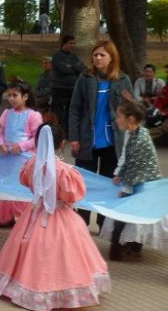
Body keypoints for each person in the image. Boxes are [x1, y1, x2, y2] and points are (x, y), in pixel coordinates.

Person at [0, 123, 110, 311]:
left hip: (35, 212)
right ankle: (63, 289)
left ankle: (24, 282)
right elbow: (73, 195)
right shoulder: (64, 170)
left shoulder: (31, 164)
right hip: (60, 214)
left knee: (31, 249)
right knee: (66, 253)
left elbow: (25, 181)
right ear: (61, 144)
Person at [69, 40, 133, 227]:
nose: (97, 58)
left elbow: (131, 110)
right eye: (95, 55)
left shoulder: (123, 80)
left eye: (102, 55)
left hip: (113, 142)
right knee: (84, 183)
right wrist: (74, 137)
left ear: (112, 58)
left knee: (107, 183)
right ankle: (82, 222)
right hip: (87, 140)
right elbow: (74, 109)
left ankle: (104, 223)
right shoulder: (85, 78)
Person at [100, 101, 163, 261]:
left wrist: (126, 188)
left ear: (131, 119)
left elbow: (136, 165)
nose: (117, 120)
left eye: (120, 116)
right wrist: (117, 173)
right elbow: (125, 156)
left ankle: (126, 248)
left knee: (131, 214)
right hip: (133, 179)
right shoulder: (129, 133)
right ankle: (124, 247)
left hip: (146, 182)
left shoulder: (142, 137)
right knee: (126, 214)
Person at [0, 81, 43, 227]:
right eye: (9, 96)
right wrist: (1, 143)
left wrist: (21, 146)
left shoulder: (33, 115)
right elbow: (1, 132)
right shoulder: (7, 113)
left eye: (15, 95)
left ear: (25, 97)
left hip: (23, 159)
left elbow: (36, 138)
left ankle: (24, 215)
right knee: (6, 184)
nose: (11, 99)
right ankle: (6, 216)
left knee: (21, 186)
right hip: (7, 157)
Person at [51, 35, 86, 134]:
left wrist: (72, 66)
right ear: (64, 44)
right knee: (57, 112)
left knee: (70, 112)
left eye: (74, 43)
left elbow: (82, 68)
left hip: (72, 89)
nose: (73, 45)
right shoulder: (57, 56)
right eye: (71, 43)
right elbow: (63, 69)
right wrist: (74, 68)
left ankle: (67, 133)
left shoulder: (73, 56)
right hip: (59, 88)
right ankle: (56, 133)